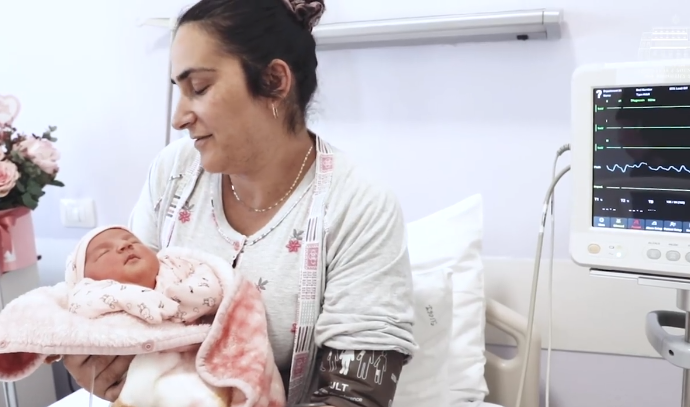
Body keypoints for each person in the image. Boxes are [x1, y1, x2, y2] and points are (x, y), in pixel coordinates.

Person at [63, 0, 417, 406]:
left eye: (199, 88)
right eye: (178, 92)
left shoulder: (358, 206)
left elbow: (355, 395)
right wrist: (100, 363)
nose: (178, 118)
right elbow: (122, 308)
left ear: (274, 81)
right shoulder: (174, 173)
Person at [65, 225, 222, 324]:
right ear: (84, 277)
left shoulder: (173, 264)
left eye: (134, 241)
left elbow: (212, 282)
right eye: (104, 252)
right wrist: (133, 297)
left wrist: (180, 298)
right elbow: (79, 307)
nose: (124, 245)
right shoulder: (87, 291)